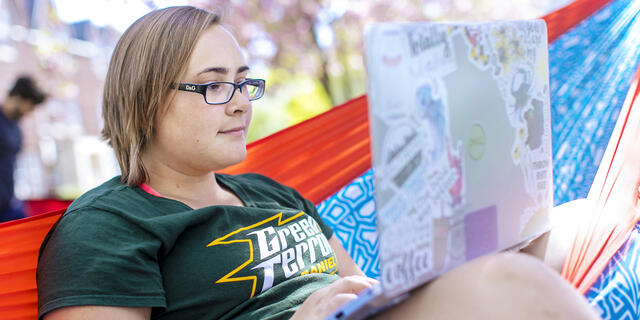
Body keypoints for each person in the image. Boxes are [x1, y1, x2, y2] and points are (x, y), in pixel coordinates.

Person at [36, 6, 600, 320]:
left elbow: (361, 288)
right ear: (145, 98)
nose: (239, 101)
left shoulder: (270, 193)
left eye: (243, 82)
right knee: (506, 283)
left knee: (576, 221)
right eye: (212, 85)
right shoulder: (108, 227)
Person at [0, 76, 46, 222]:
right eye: (29, 106)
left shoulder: (16, 128)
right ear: (17, 96)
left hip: (8, 204)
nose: (30, 112)